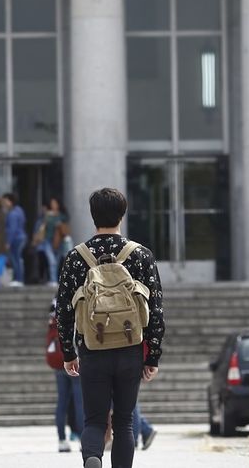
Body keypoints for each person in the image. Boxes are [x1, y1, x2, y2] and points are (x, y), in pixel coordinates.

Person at [56, 187, 165, 468]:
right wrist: (151, 356)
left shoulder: (76, 257)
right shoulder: (140, 255)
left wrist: (68, 353)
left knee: (93, 419)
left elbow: (64, 312)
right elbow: (156, 311)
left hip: (92, 348)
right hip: (130, 349)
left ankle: (93, 457)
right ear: (123, 214)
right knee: (125, 421)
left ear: (93, 216)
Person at [47, 298, 85, 453]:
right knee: (79, 402)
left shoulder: (55, 303)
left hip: (58, 361)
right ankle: (83, 438)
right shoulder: (75, 298)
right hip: (74, 359)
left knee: (62, 402)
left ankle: (61, 439)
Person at [2, 193, 27, 287]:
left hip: (16, 238)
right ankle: (19, 278)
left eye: (5, 201)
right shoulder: (19, 211)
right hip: (21, 237)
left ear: (10, 201)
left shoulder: (12, 214)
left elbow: (12, 229)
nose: (4, 203)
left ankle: (18, 279)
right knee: (18, 258)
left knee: (16, 259)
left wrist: (8, 242)